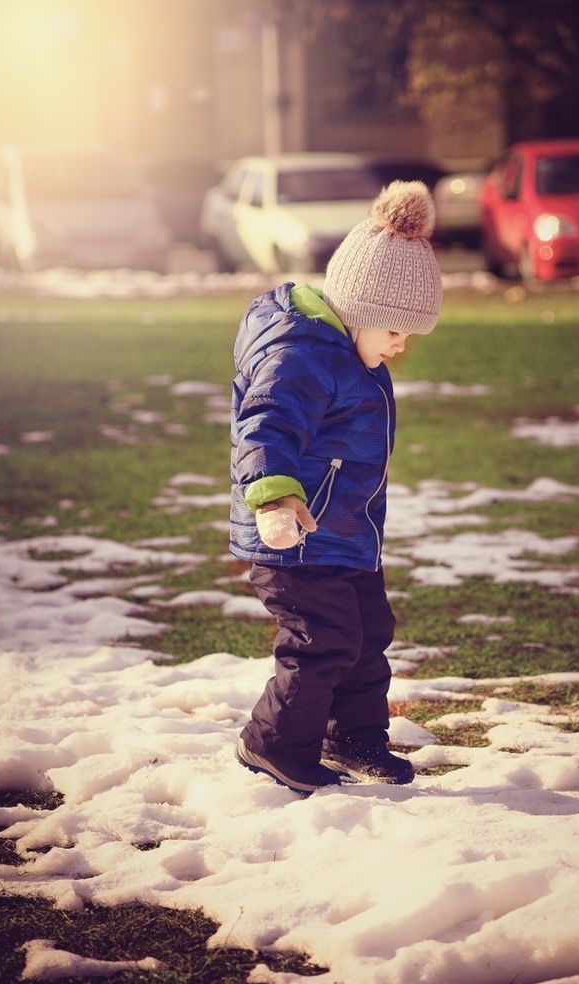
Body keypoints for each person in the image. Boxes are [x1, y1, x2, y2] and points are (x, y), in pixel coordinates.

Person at [229, 180, 442, 794]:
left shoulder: (348, 352)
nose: (400, 346)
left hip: (345, 534)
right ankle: (272, 743)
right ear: (357, 307)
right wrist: (271, 495)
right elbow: (266, 423)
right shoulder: (301, 355)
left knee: (368, 635)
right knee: (322, 642)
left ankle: (353, 736)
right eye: (394, 331)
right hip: (297, 535)